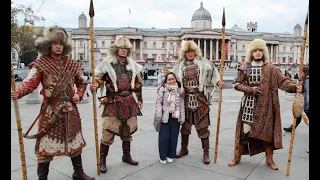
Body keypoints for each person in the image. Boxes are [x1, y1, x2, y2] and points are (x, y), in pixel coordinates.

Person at [11, 26, 94, 180]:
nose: (58, 46)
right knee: (45, 146)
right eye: (55, 43)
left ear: (65, 46)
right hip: (50, 111)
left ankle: (78, 172)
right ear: (49, 45)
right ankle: (42, 178)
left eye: (61, 44)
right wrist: (18, 92)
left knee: (75, 141)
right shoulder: (41, 63)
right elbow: (30, 83)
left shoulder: (72, 63)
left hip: (70, 109)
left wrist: (78, 94)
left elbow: (82, 82)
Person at [228, 39, 302, 170]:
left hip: (266, 107)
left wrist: (295, 87)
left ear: (264, 52)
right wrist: (250, 90)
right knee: (244, 132)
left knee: (267, 134)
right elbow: (236, 84)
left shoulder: (271, 68)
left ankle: (269, 159)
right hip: (249, 105)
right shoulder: (245, 67)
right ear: (251, 52)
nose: (257, 52)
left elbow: (283, 82)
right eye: (255, 50)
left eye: (260, 50)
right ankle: (237, 156)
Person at [89, 35, 143, 174]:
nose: (123, 50)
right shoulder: (108, 63)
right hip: (113, 101)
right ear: (116, 49)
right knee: (107, 132)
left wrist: (140, 99)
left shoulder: (133, 65)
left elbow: (138, 84)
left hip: (129, 102)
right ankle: (102, 160)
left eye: (126, 48)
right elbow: (99, 77)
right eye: (121, 48)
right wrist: (95, 84)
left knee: (127, 130)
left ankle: (126, 156)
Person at [171, 40, 225, 164]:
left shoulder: (204, 64)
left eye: (192, 52)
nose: (190, 54)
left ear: (195, 52)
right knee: (185, 127)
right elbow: (171, 78)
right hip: (185, 100)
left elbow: (213, 75)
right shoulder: (179, 66)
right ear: (184, 54)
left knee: (203, 127)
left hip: (200, 99)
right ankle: (184, 149)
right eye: (187, 52)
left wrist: (218, 83)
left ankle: (206, 152)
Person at [155, 72, 185, 164]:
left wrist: (182, 117)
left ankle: (170, 155)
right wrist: (158, 114)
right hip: (165, 116)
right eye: (169, 79)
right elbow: (158, 102)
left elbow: (182, 104)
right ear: (166, 80)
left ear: (175, 79)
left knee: (174, 137)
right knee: (164, 137)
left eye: (173, 79)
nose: (171, 81)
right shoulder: (162, 89)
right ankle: (163, 156)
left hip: (175, 116)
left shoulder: (180, 90)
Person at [283, 66, 309, 133]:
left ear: (304, 72)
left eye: (301, 72)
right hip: (302, 103)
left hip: (305, 104)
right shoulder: (304, 79)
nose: (300, 73)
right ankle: (292, 128)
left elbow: (307, 93)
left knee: (301, 116)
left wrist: (305, 104)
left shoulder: (307, 80)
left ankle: (292, 128)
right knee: (297, 117)